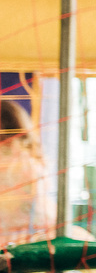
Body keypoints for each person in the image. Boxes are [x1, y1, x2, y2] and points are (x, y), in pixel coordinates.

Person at [0, 99, 56, 245]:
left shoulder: (16, 161)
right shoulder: (30, 158)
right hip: (40, 233)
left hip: (21, 239)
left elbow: (12, 207)